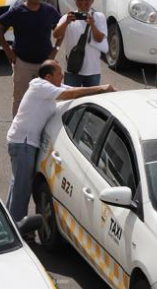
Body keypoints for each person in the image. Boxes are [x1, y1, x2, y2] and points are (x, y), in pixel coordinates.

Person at [6, 60, 114, 221]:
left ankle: (9, 222)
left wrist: (108, 91)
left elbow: (75, 90)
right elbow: (69, 94)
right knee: (22, 188)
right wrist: (102, 88)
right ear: (48, 77)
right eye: (59, 74)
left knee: (17, 184)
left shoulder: (49, 88)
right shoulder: (40, 85)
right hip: (24, 144)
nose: (62, 76)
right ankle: (17, 228)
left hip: (22, 143)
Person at [0, 0, 60, 117]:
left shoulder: (49, 10)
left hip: (44, 64)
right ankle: (17, 132)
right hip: (23, 63)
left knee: (45, 99)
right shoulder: (17, 11)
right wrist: (8, 51)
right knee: (20, 100)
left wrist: (56, 49)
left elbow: (61, 28)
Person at [52, 0, 108, 86]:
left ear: (92, 0)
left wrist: (92, 25)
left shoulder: (99, 17)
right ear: (75, 0)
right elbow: (56, 34)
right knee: (71, 101)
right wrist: (66, 22)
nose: (83, 2)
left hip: (93, 71)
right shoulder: (67, 17)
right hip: (73, 70)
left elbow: (99, 39)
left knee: (91, 101)